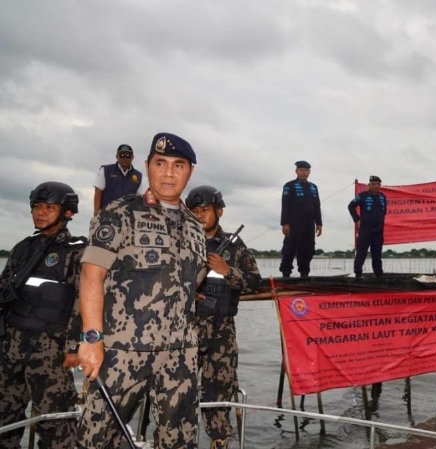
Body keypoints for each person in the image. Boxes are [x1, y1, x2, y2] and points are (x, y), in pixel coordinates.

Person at [76, 132, 207, 449]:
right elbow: (91, 275)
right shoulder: (121, 212)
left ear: (190, 171)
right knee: (96, 439)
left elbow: (194, 282)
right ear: (147, 166)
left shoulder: (195, 226)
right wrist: (92, 339)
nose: (168, 172)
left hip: (180, 356)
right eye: (160, 163)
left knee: (179, 441)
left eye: (178, 165)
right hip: (123, 353)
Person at [0, 182, 86, 449]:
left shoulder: (77, 251)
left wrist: (73, 347)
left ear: (67, 212)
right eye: (37, 206)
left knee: (56, 425)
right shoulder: (22, 248)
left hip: (50, 350)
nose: (40, 212)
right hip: (10, 345)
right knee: (5, 417)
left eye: (49, 207)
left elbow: (83, 301)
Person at [185, 185, 261, 449]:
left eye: (204, 210)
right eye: (193, 211)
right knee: (178, 394)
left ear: (219, 211)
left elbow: (254, 283)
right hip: (184, 331)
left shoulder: (235, 246)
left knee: (219, 395)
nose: (199, 216)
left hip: (221, 332)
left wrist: (228, 270)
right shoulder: (181, 242)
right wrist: (186, 293)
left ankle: (219, 442)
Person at [279, 160, 322, 278]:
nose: (304, 173)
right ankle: (286, 272)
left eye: (306, 170)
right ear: (296, 171)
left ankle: (304, 273)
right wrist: (285, 223)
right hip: (293, 223)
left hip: (309, 224)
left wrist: (319, 223)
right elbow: (285, 205)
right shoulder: (289, 186)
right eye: (301, 170)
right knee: (289, 249)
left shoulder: (313, 187)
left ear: (309, 172)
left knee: (307, 249)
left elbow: (317, 206)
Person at [348, 175, 387, 279]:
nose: (376, 186)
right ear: (369, 185)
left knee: (377, 254)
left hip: (378, 230)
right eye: (374, 184)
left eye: (378, 184)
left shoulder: (383, 197)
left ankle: (379, 275)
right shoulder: (362, 196)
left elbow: (384, 212)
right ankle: (358, 274)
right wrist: (357, 219)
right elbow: (351, 206)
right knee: (361, 252)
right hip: (365, 229)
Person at [92, 143, 145, 215]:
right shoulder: (106, 170)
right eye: (122, 156)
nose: (125, 158)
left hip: (128, 217)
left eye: (128, 156)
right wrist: (96, 213)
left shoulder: (138, 176)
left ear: (132, 158)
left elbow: (140, 198)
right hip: (106, 215)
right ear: (117, 156)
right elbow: (98, 191)